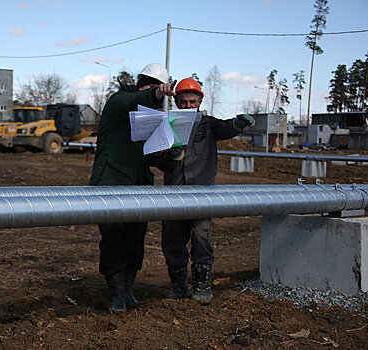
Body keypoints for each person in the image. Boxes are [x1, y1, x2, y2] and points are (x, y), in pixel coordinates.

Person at [88, 63, 177, 312]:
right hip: (111, 184)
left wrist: (171, 153)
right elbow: (137, 99)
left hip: (139, 187)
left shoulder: (150, 118)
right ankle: (117, 295)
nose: (153, 99)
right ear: (142, 86)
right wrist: (157, 94)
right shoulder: (119, 101)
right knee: (114, 241)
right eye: (152, 91)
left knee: (135, 241)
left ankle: (128, 292)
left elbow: (152, 157)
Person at [160, 78, 254, 304]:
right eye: (183, 102)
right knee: (172, 240)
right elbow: (156, 159)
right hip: (173, 193)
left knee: (200, 236)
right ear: (176, 101)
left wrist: (239, 124)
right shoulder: (167, 125)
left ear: (200, 100)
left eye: (193, 101)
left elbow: (226, 128)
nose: (188, 106)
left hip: (201, 193)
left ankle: (203, 286)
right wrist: (166, 156)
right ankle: (179, 286)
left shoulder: (209, 124)